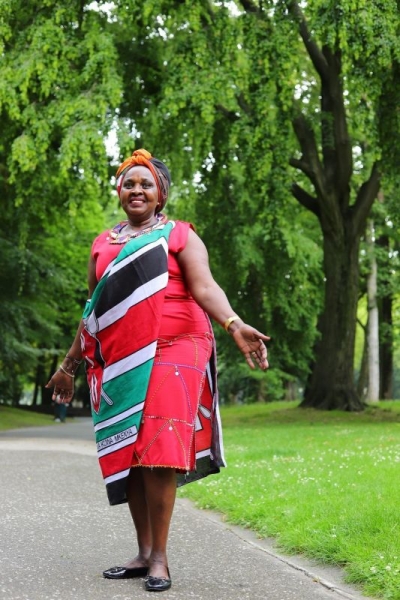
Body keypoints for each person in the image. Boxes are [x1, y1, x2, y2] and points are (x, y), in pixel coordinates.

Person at [46, 148, 269, 593]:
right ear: (119, 191)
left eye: (145, 184)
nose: (137, 190)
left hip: (179, 344)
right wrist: (69, 364)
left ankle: (161, 559)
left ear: (160, 194)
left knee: (159, 444)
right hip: (122, 353)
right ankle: (144, 552)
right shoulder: (102, 244)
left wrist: (233, 323)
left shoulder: (180, 235)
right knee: (130, 448)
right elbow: (95, 312)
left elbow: (205, 286)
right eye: (129, 183)